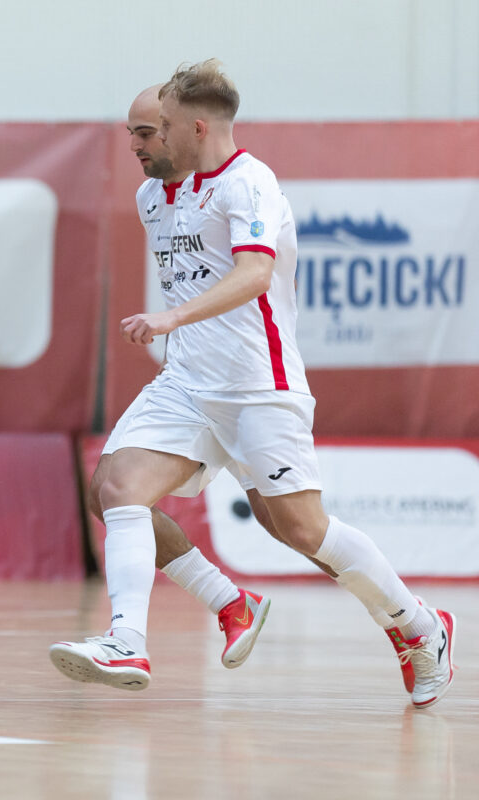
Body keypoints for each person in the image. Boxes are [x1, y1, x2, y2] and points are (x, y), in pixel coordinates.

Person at [50, 61, 455, 709]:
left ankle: (419, 626)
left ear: (196, 127)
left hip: (257, 387)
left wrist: (171, 316)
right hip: (185, 383)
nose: (136, 144)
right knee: (115, 489)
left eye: (149, 131)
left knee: (300, 530)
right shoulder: (152, 196)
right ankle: (150, 630)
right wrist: (177, 332)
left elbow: (255, 274)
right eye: (132, 132)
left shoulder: (250, 183)